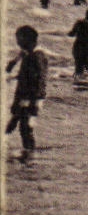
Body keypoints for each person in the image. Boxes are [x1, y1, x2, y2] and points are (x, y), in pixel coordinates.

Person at [6, 25, 49, 154]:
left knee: (24, 127)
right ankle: (28, 154)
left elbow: (40, 79)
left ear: (28, 40)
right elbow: (29, 75)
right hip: (26, 96)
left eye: (19, 39)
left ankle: (29, 155)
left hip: (31, 98)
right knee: (21, 126)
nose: (17, 43)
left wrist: (34, 101)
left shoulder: (36, 56)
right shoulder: (30, 54)